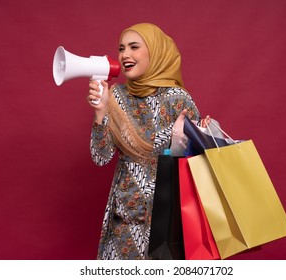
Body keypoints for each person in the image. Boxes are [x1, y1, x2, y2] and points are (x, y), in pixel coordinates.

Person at [87, 23, 201, 260]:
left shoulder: (177, 99)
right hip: (125, 217)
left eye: (134, 47)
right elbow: (101, 157)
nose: (125, 55)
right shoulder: (116, 96)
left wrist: (201, 133)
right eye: (121, 48)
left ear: (155, 51)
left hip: (167, 221)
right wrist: (100, 113)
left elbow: (196, 163)